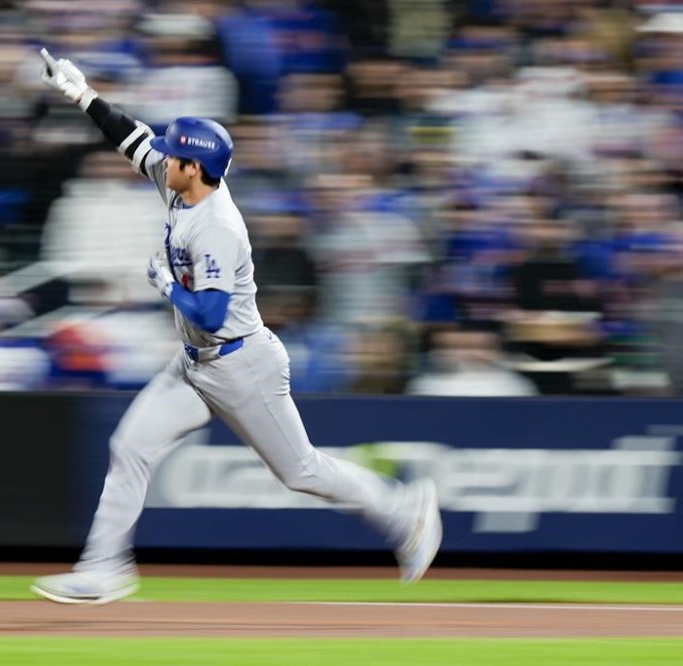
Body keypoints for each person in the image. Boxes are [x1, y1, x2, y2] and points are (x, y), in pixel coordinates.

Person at [30, 49, 442, 605]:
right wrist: (80, 93)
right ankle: (105, 568)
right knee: (129, 447)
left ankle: (402, 511)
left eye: (174, 154)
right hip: (194, 365)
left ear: (194, 168)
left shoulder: (217, 225)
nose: (163, 156)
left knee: (301, 471)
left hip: (240, 363)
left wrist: (166, 287)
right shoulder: (181, 183)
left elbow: (213, 313)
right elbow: (130, 136)